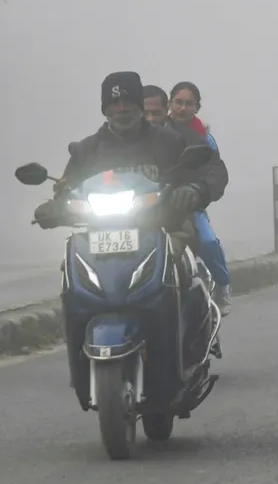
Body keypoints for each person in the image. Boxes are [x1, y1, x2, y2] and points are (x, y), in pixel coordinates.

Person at [35, 72, 219, 401]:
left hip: (162, 230)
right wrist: (53, 208)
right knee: (68, 274)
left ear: (139, 104)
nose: (122, 108)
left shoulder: (170, 142)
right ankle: (80, 363)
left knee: (184, 270)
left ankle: (187, 357)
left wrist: (193, 189)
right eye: (114, 102)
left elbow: (209, 172)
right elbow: (65, 188)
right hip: (97, 239)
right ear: (105, 108)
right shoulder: (86, 150)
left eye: (128, 101)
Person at [145, 84, 233, 315]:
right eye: (145, 112)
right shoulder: (117, 139)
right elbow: (92, 161)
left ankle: (220, 288)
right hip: (137, 210)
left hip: (179, 208)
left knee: (207, 241)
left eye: (155, 113)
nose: (150, 118)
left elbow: (214, 171)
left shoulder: (193, 139)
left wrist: (196, 190)